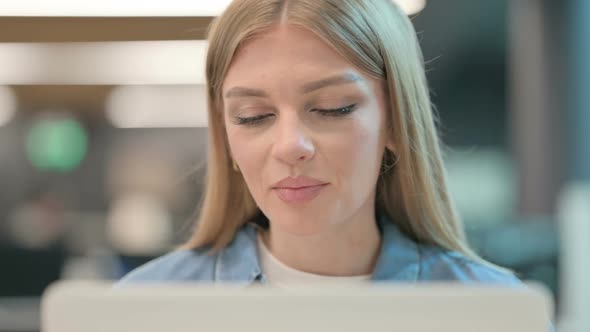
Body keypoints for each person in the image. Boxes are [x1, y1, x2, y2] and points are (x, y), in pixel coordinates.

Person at [119, 0, 520, 287]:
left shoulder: (493, 310)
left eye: (333, 108)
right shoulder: (144, 307)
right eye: (253, 116)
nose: (290, 146)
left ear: (395, 122)